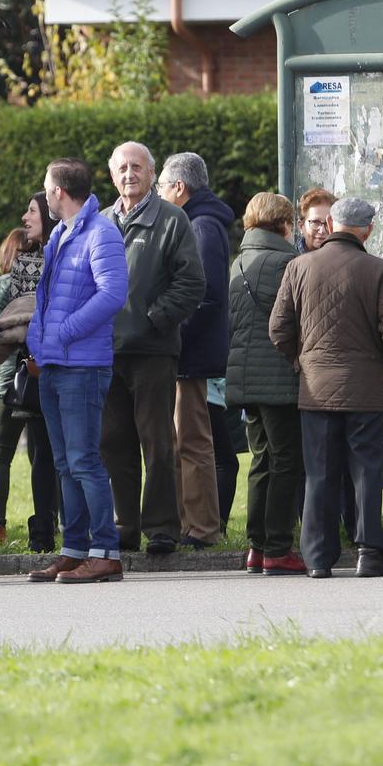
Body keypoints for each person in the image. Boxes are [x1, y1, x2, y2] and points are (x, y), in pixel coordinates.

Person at [270, 197, 383, 580]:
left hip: (315, 388)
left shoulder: (298, 266)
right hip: (364, 387)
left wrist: (302, 360)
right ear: (368, 230)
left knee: (319, 472)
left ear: (330, 224)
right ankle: (369, 552)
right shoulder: (380, 270)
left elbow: (278, 328)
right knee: (365, 469)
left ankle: (318, 558)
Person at [26, 159, 130, 584]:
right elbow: (46, 297)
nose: (45, 194)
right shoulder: (60, 234)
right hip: (53, 363)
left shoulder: (101, 232)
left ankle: (105, 551)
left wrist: (64, 332)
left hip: (83, 366)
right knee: (66, 463)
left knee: (85, 461)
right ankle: (75, 548)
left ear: (59, 192)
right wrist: (37, 339)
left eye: (47, 187)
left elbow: (113, 293)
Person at [104, 141, 204, 556]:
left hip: (153, 351)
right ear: (112, 175)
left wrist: (152, 319)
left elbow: (192, 283)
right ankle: (123, 528)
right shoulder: (101, 222)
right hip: (106, 353)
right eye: (123, 168)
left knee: (158, 443)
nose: (129, 174)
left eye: (137, 168)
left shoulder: (172, 219)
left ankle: (162, 528)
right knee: (113, 444)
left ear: (152, 172)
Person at [225, 192, 305, 574]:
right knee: (287, 460)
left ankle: (256, 547)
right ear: (284, 224)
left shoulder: (239, 262)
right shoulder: (287, 262)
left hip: (244, 376)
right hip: (277, 377)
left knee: (261, 460)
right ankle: (277, 546)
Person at [156, 152, 233, 548]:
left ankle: (201, 528)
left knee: (192, 441)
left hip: (190, 353)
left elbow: (205, 294)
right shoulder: (200, 221)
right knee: (183, 439)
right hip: (189, 350)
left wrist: (174, 333)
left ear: (179, 188)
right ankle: (190, 523)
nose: (158, 193)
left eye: (161, 186)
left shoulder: (201, 226)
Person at [0, 198, 57, 551]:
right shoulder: (25, 266)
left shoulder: (67, 256)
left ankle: (35, 525)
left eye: (31, 210)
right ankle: (44, 526)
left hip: (49, 369)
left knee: (43, 453)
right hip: (26, 372)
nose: (24, 216)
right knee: (42, 453)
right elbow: (14, 322)